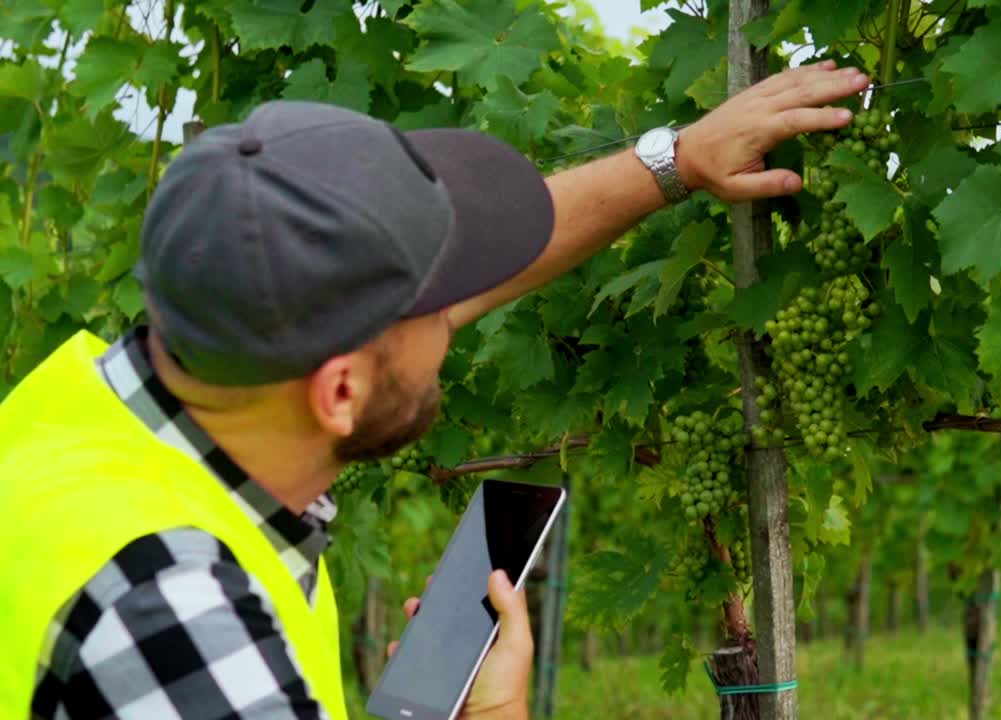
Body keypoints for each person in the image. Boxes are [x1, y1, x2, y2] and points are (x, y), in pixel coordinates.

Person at [0, 60, 870, 719]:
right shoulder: (175, 615)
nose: (458, 312)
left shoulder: (82, 412)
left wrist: (674, 161)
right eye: (436, 307)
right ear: (339, 390)